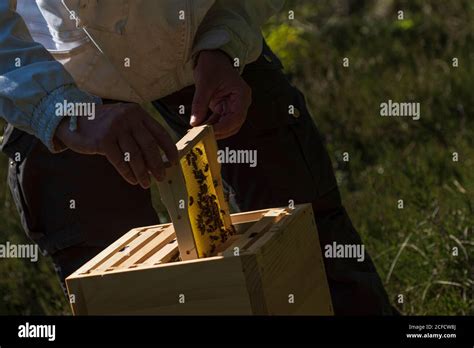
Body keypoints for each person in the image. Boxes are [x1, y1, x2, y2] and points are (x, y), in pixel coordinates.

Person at [0, 0, 395, 315]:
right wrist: (63, 112)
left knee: (306, 239)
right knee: (117, 288)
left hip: (197, 33)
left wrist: (226, 44)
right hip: (54, 66)